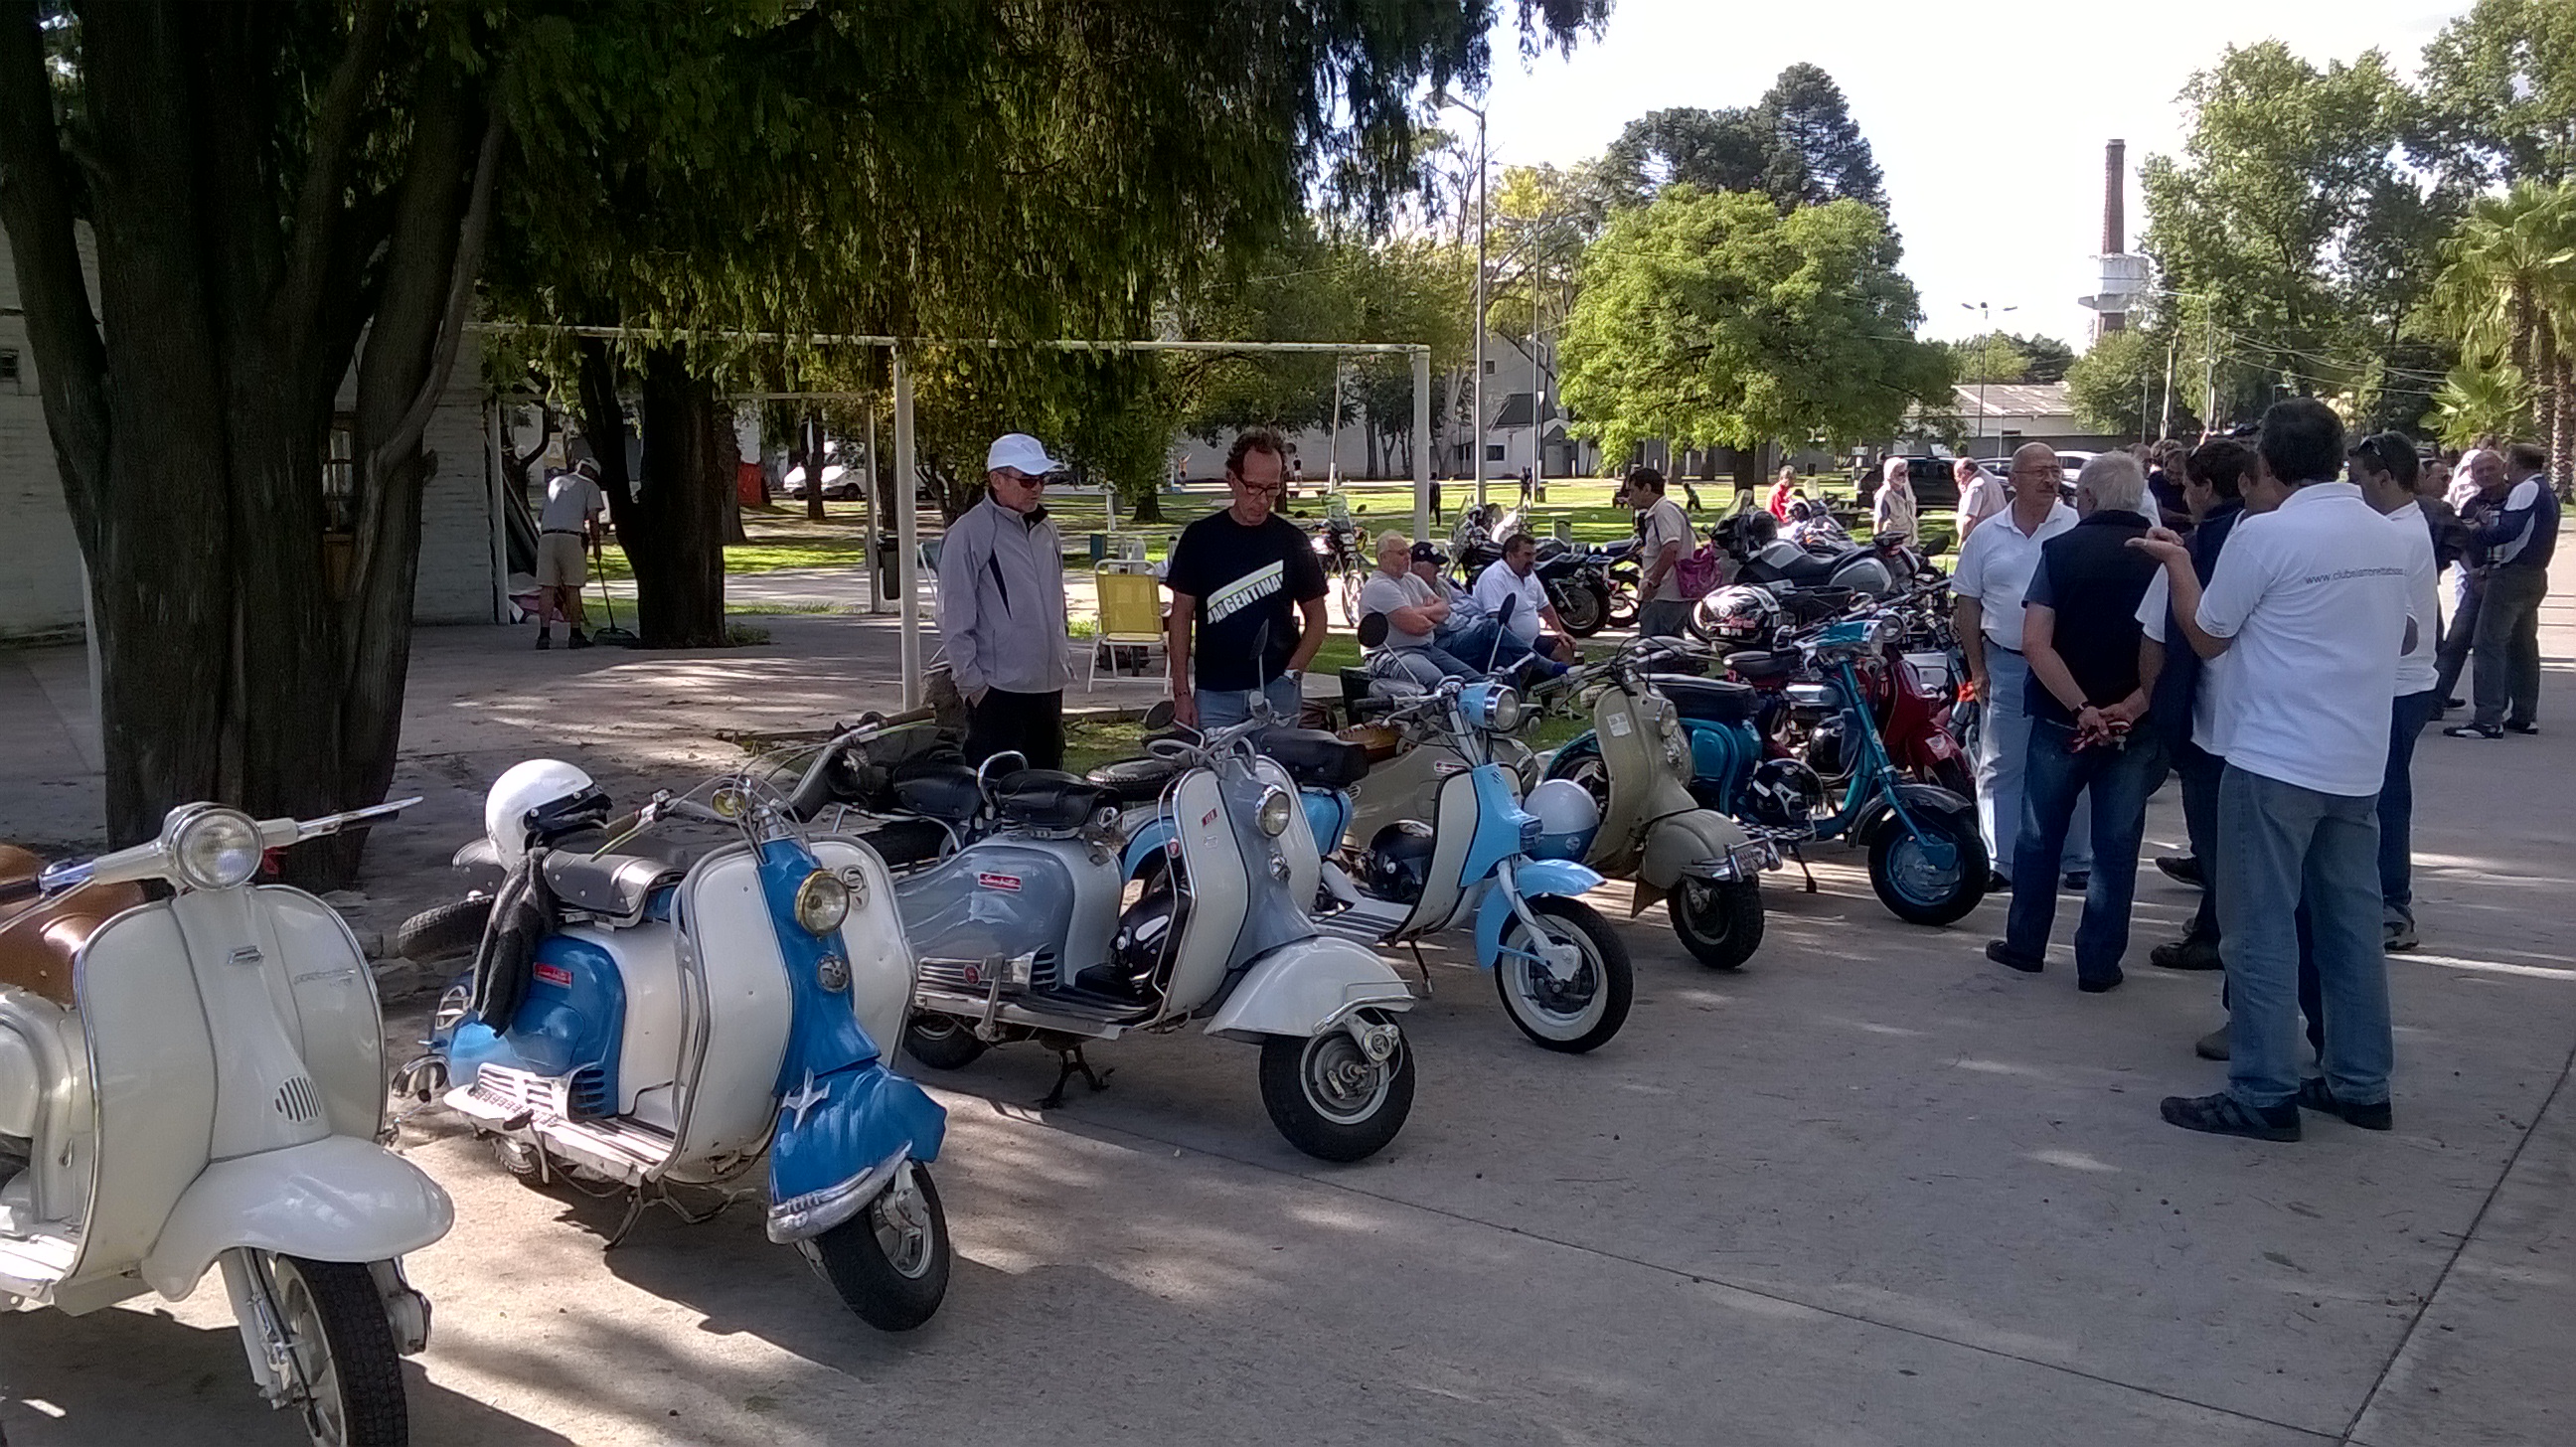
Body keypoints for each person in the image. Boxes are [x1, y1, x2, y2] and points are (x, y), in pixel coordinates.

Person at [2136, 398, 2413, 1142]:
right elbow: (2406, 631)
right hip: (2357, 762)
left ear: (2265, 465)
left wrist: (2179, 563)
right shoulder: (2386, 531)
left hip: (2274, 759)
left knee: (2258, 931)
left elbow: (2209, 635)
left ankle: (2262, 1091)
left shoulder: (2264, 534)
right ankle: (2360, 1082)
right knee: (2350, 928)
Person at [1985, 453, 2167, 992]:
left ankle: (2026, 944)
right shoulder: (2166, 558)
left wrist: (2081, 708)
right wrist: (2132, 706)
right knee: (2116, 845)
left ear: (2086, 498)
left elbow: (2035, 643)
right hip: (2134, 723)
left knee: (2039, 836)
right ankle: (2099, 962)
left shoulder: (2060, 551)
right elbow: (2174, 647)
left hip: (2062, 718)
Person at [2137, 440, 2254, 985]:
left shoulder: (2194, 550)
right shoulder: (2273, 540)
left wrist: (2157, 705)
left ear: (2207, 488)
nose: (2183, 495)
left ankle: (2216, 936)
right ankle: (2219, 924)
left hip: (2212, 721)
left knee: (2215, 840)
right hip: (2273, 724)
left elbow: (2155, 637)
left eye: (2187, 486)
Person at [1952, 443, 2091, 891]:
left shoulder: (2076, 526)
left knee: (2073, 760)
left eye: (2054, 471)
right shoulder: (1986, 535)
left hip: (2067, 665)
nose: (2050, 479)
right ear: (2013, 480)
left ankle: (2077, 859)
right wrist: (1977, 668)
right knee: (2001, 763)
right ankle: (2001, 861)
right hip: (2007, 662)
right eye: (2039, 472)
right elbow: (1967, 605)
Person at [1165, 430, 1330, 730]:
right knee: (1213, 762)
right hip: (1215, 694)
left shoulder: (1292, 542)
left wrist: (1292, 674)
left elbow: (1317, 617)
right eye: (1253, 487)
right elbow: (1180, 616)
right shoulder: (1200, 538)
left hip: (1276, 690)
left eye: (1272, 489)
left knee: (1278, 763)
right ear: (1232, 479)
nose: (1262, 500)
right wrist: (1181, 693)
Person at [2349, 432, 2443, 951]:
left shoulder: (2396, 535)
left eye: (2360, 480)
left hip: (2398, 686)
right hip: (2402, 683)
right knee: (2380, 792)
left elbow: (2401, 630)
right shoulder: (2402, 525)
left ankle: (2393, 903)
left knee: (2386, 797)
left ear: (2385, 478)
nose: (2355, 490)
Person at [937, 433, 1073, 769]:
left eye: (1042, 479)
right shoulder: (969, 532)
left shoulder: (1046, 528)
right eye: (1027, 480)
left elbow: (1057, 598)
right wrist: (974, 687)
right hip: (997, 693)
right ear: (996, 480)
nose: (1036, 488)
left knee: (1047, 788)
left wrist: (1061, 654)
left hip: (1048, 686)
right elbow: (953, 617)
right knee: (997, 790)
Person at [2445, 440, 2557, 738]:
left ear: (2514, 464)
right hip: (2534, 574)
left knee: (2488, 643)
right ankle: (2524, 715)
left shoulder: (2525, 489)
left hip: (2511, 575)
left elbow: (2509, 530)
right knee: (2522, 646)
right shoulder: (2545, 491)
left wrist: (2477, 531)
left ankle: (2487, 718)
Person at [2430, 447, 2502, 715]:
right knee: (2456, 640)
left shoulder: (2516, 499)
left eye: (2491, 468)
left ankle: (2510, 713)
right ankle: (2434, 701)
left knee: (2502, 647)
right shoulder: (2473, 504)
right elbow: (2461, 543)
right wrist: (2473, 573)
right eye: (2480, 470)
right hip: (2478, 581)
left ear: (2503, 469)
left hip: (2506, 582)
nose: (2486, 474)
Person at [1360, 532, 1479, 686]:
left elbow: (1444, 609)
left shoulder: (1412, 579)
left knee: (1474, 680)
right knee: (1436, 681)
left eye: (1408, 552)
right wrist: (1431, 615)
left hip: (1426, 648)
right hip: (1392, 654)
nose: (1408, 557)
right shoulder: (1379, 587)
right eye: (1401, 553)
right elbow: (1417, 626)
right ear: (1383, 557)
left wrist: (1418, 612)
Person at [1471, 532, 1578, 666]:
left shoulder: (1529, 575)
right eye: (1527, 555)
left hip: (1531, 642)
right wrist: (1524, 650)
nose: (1532, 560)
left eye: (1534, 554)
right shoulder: (1494, 578)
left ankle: (1561, 677)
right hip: (1504, 647)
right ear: (1510, 556)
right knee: (1538, 665)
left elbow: (1544, 606)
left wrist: (1560, 632)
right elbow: (1498, 623)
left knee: (1565, 647)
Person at [534, 458, 607, 650]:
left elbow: (541, 515)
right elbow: (593, 519)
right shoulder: (590, 486)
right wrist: (596, 546)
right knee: (572, 587)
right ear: (593, 473)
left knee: (547, 587)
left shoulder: (555, 482)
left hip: (547, 537)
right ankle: (575, 634)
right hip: (571, 537)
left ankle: (543, 635)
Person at [1628, 466, 1697, 637]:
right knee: (1671, 646)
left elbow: (1671, 548)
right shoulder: (1665, 510)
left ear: (1646, 489)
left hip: (1664, 595)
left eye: (1632, 491)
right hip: (1669, 596)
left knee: (1653, 645)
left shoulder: (1664, 511)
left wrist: (1653, 583)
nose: (1629, 498)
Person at [1953, 456, 2009, 545]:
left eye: (1958, 477)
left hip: (1982, 539)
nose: (1958, 481)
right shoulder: (1989, 478)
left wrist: (1962, 539)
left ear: (1966, 473)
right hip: (1998, 535)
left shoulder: (1975, 486)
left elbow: (1969, 520)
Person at [1870, 456, 1919, 545]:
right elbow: (1879, 524)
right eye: (1901, 474)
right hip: (1895, 545)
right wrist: (1879, 545)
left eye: (1906, 472)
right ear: (1891, 475)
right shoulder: (1884, 495)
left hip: (1912, 542)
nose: (1905, 476)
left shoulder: (1907, 487)